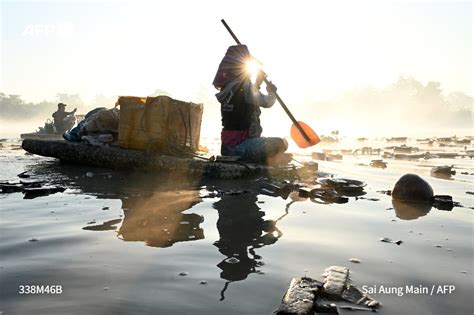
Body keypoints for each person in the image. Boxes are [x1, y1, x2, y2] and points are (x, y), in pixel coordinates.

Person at [213, 45, 291, 165]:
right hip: (240, 147)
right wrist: (272, 92)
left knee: (271, 145)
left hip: (227, 147)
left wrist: (257, 83)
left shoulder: (227, 87)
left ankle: (267, 156)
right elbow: (266, 102)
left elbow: (248, 97)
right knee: (282, 143)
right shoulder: (244, 87)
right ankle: (269, 158)